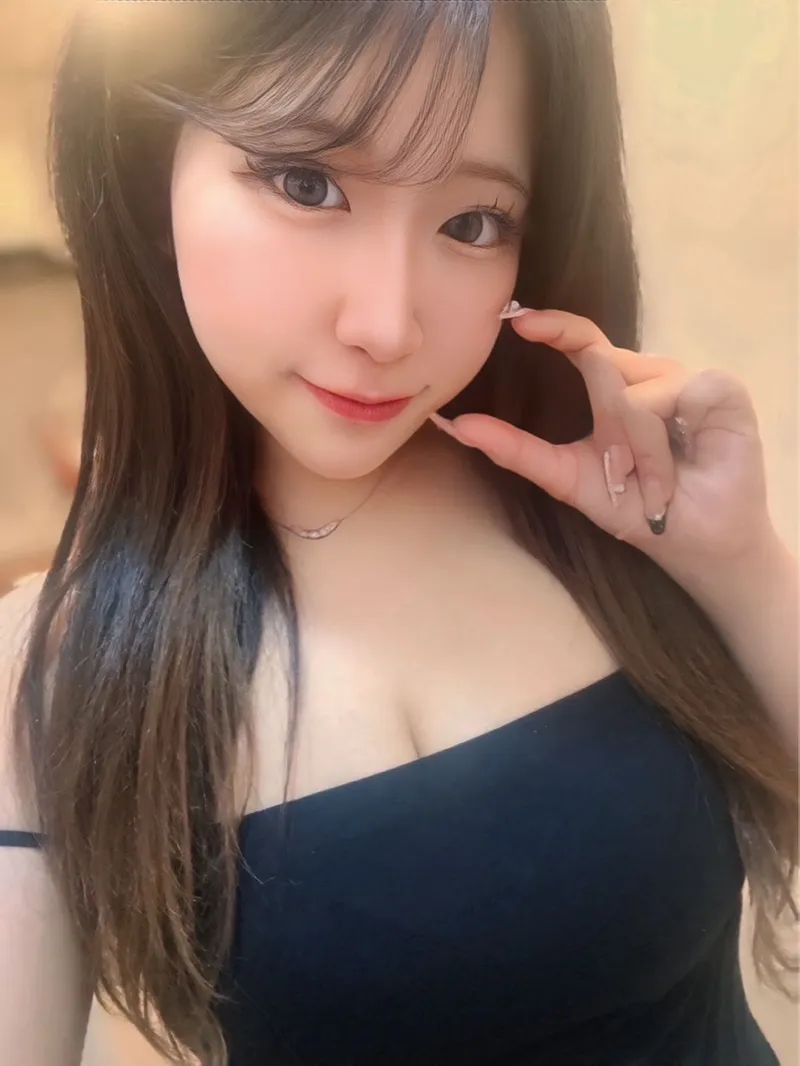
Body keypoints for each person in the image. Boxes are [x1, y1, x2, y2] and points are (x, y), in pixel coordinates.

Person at [0, 2, 797, 1064]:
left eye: (473, 223)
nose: (386, 324)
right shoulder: (50, 671)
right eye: (305, 183)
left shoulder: (594, 505)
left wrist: (740, 563)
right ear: (150, 173)